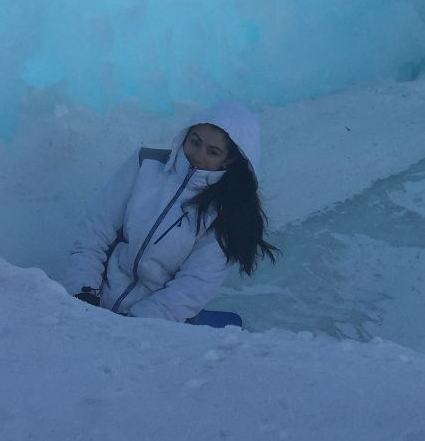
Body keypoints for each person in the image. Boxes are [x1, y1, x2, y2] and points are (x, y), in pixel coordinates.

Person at [65, 101, 276, 320]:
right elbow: (94, 230)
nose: (198, 155)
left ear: (229, 159)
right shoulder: (146, 164)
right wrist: (84, 293)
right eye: (195, 142)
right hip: (97, 297)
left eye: (212, 152)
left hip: (155, 320)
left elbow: (191, 288)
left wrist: (134, 324)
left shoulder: (227, 213)